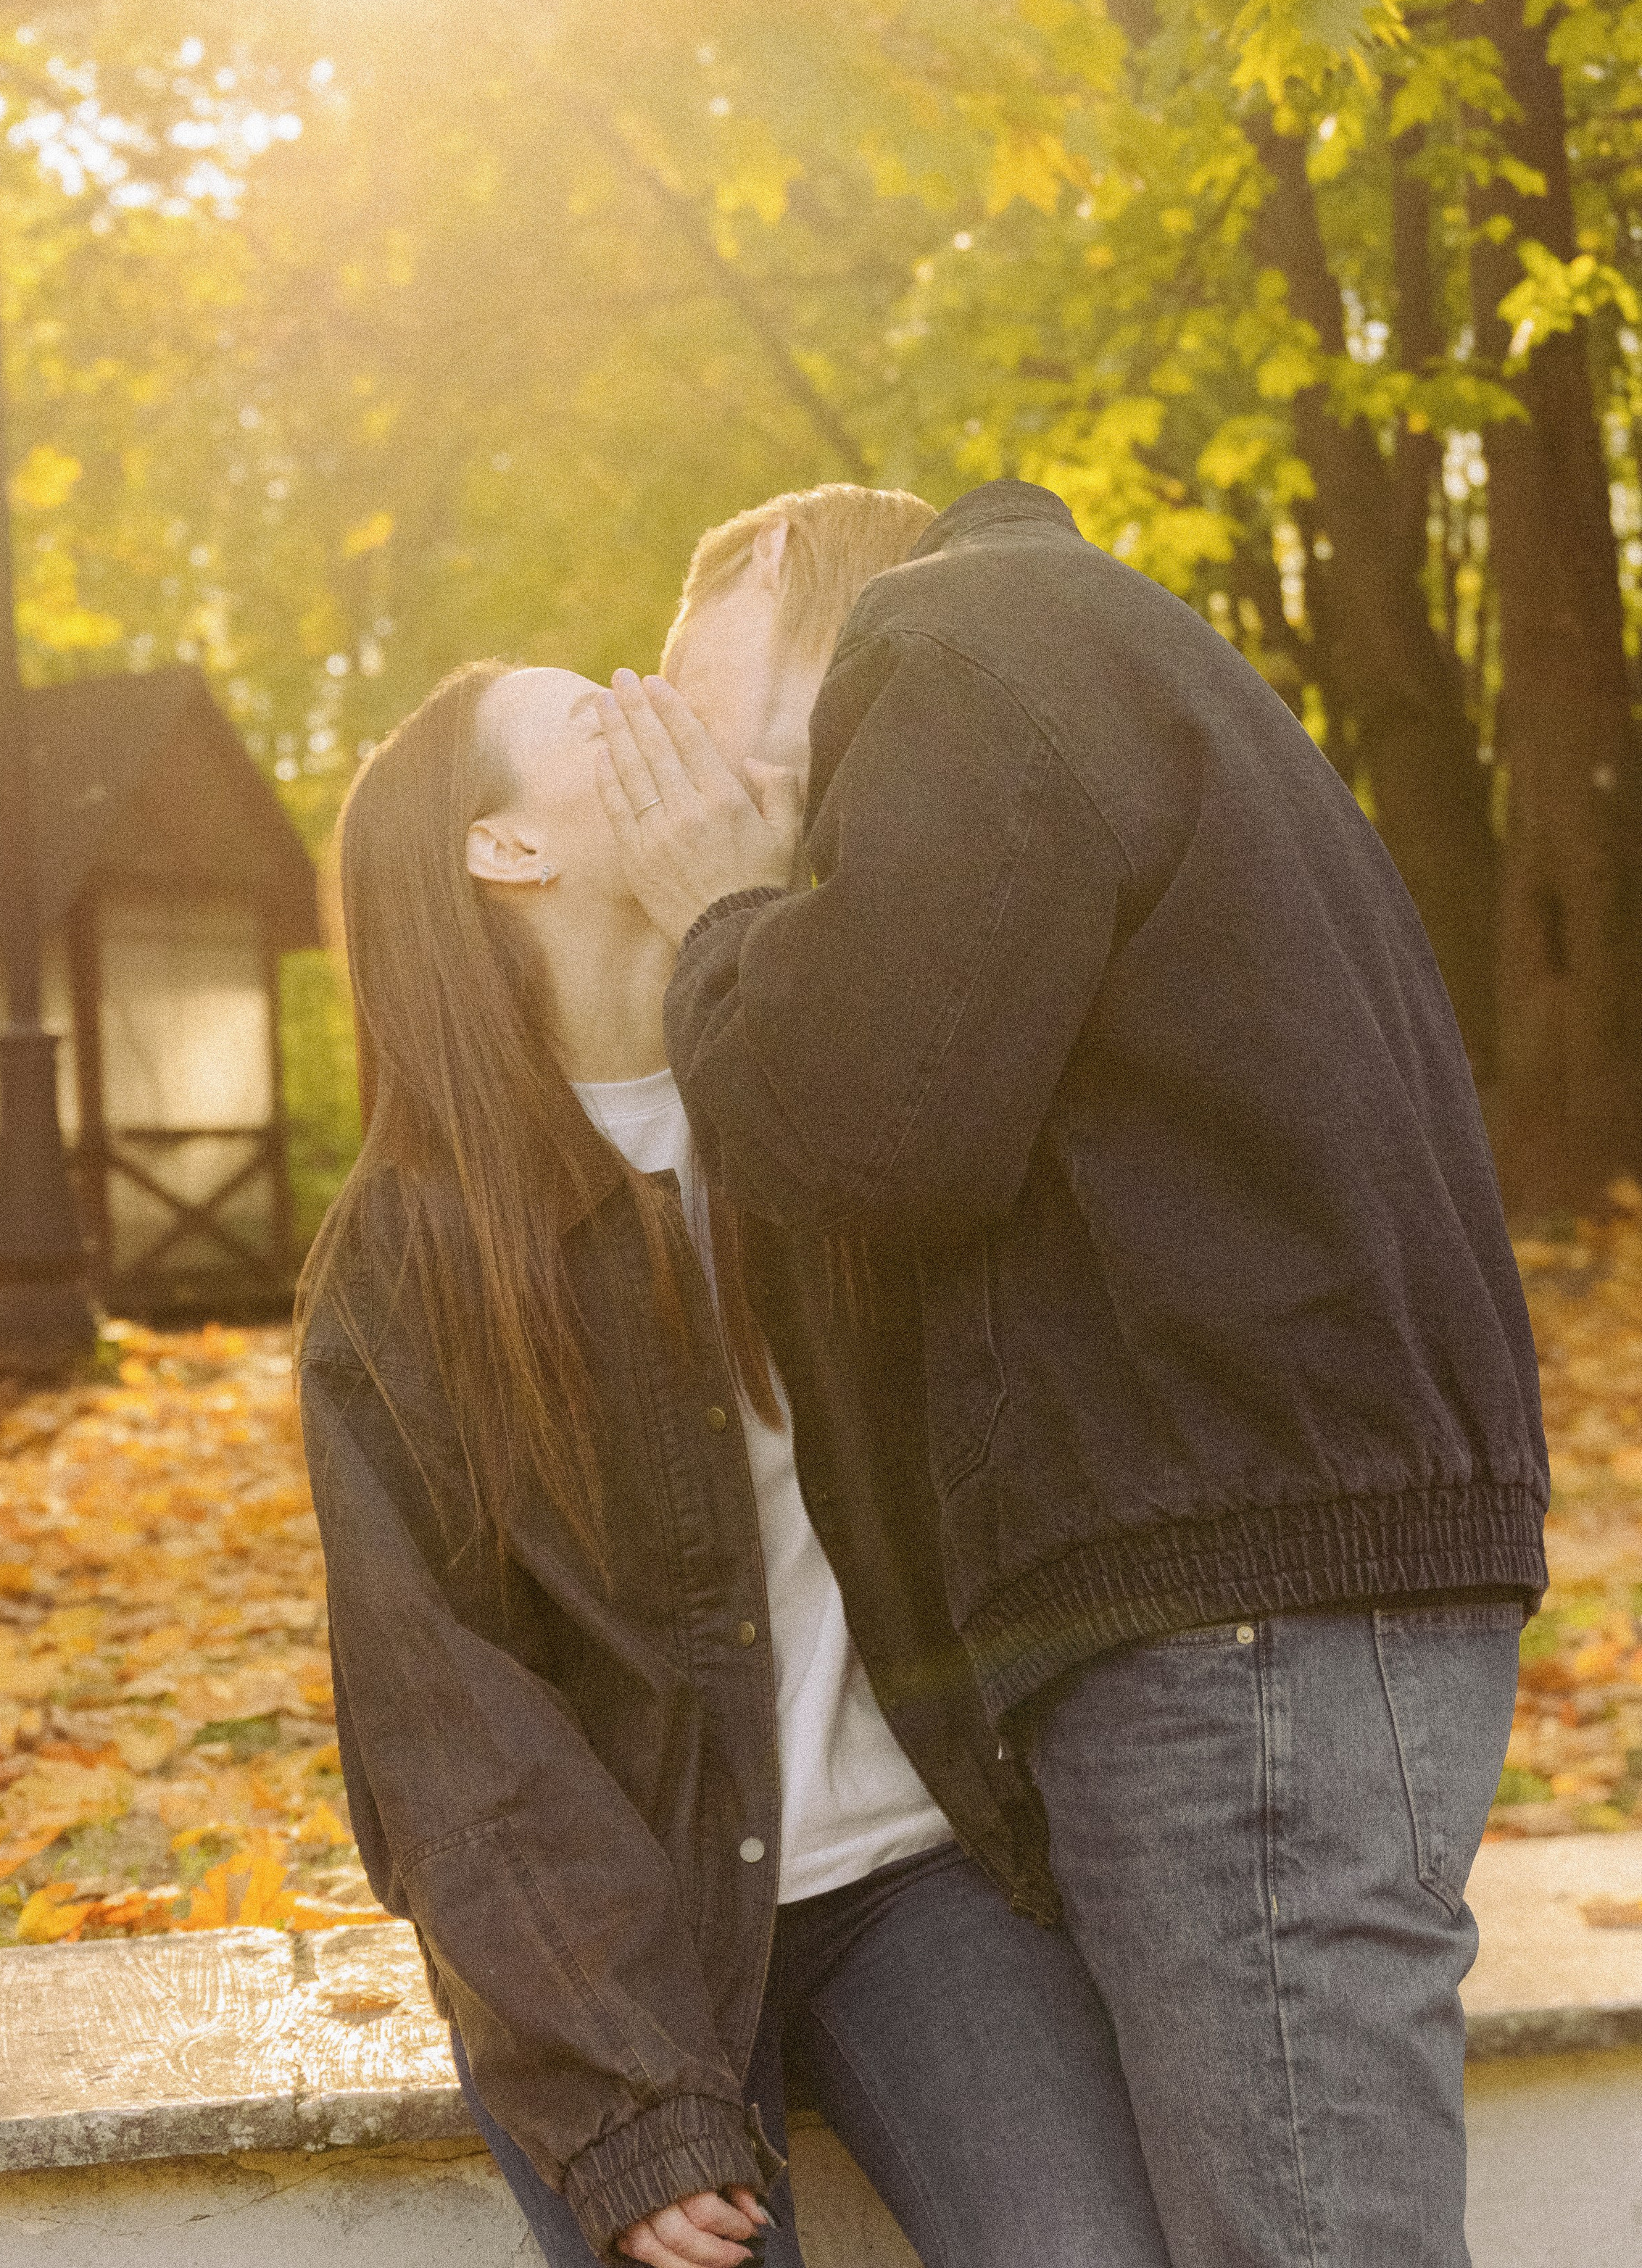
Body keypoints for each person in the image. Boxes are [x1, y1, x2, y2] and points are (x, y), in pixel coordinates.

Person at [594, 478, 1550, 2268]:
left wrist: (718, 914)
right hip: (1270, 1584)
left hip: (1237, 1613)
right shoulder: (1078, 661)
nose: (698, 781)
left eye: (698, 711)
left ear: (811, 592)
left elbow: (860, 1120)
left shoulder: (948, 642)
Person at [296, 649, 1174, 2268]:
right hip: (623, 1948)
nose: (652, 698)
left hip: (920, 1883)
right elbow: (448, 1735)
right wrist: (625, 2104)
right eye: (590, 708)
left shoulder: (830, 1114)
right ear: (507, 850)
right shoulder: (404, 1264)